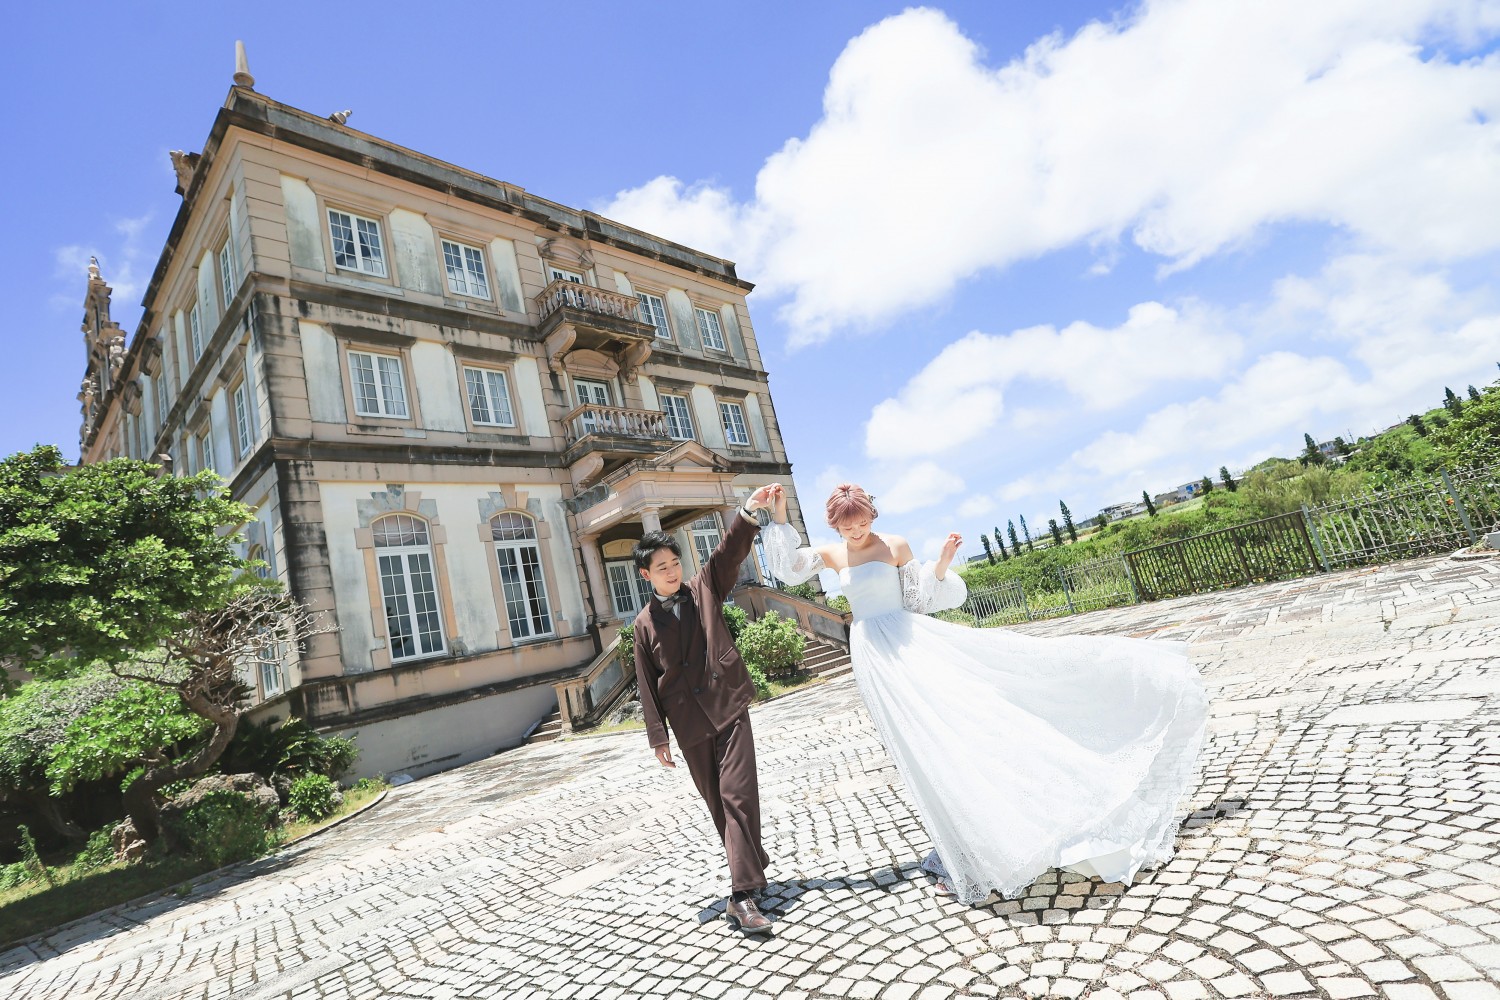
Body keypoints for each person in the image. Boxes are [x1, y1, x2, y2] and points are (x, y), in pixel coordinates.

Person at [762, 482, 1209, 904]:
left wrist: (940, 563)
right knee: (917, 750)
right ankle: (960, 846)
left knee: (958, 732)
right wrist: (778, 515)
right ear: (835, 525)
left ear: (871, 515)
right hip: (873, 657)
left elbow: (917, 602)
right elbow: (787, 569)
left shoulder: (894, 545)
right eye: (847, 526)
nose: (856, 532)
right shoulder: (832, 554)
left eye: (861, 522)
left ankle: (994, 838)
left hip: (910, 643)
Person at [631, 485, 780, 935]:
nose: (672, 571)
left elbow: (729, 552)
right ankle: (752, 868)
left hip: (728, 705)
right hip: (689, 725)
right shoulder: (642, 625)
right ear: (646, 575)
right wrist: (658, 737)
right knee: (720, 804)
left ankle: (740, 897)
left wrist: (749, 513)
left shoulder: (705, 587)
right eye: (662, 567)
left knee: (738, 793)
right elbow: (645, 683)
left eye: (675, 563)